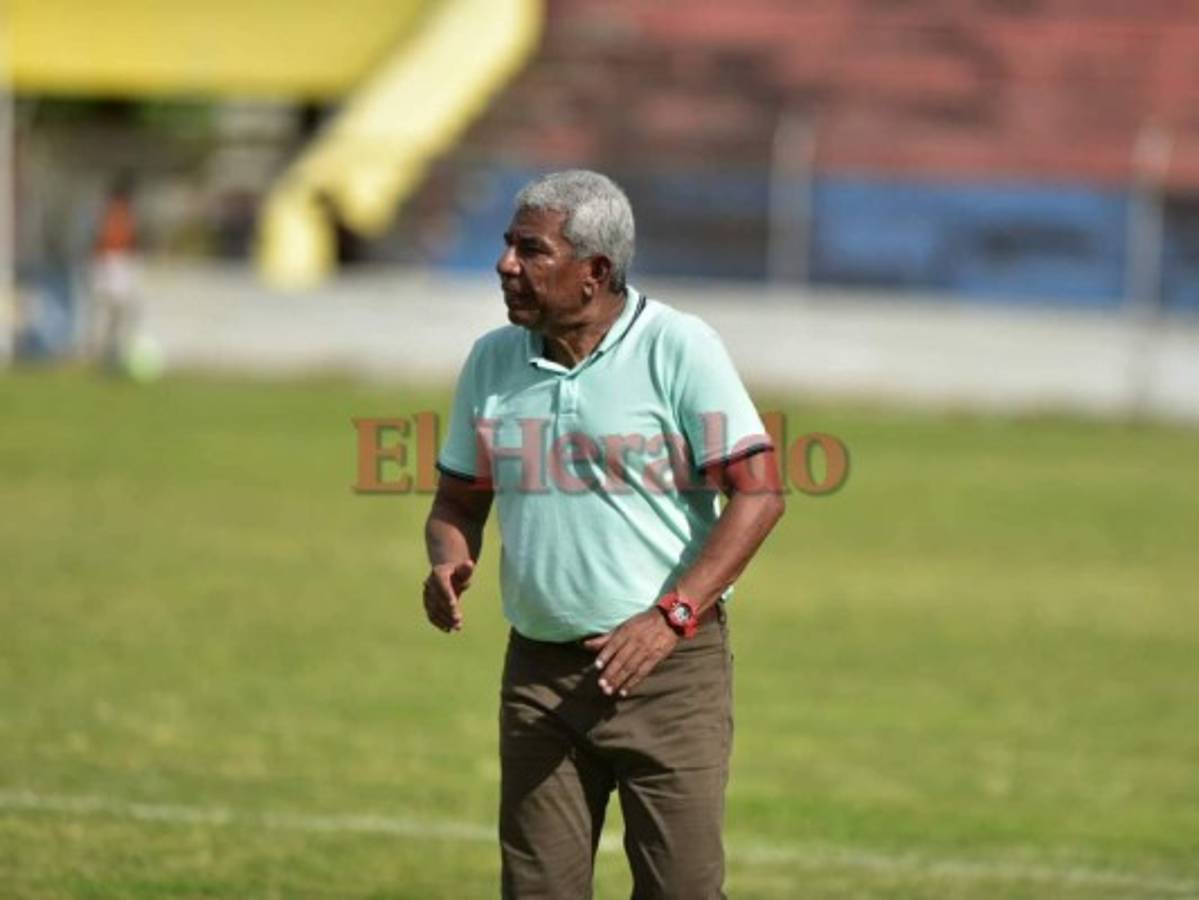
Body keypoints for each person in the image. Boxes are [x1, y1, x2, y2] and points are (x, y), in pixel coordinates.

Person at [423, 170, 785, 899]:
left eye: (531, 250)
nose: (506, 266)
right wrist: (448, 558)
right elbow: (457, 502)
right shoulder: (493, 359)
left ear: (593, 273)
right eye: (506, 246)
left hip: (669, 674)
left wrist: (669, 617)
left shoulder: (677, 346)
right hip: (539, 683)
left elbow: (760, 493)